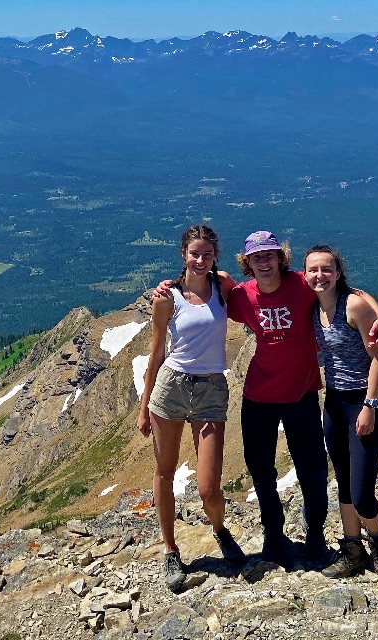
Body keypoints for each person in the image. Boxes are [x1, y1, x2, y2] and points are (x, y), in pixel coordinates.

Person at [227, 231, 378, 570]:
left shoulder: (302, 283)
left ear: (281, 258)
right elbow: (208, 291)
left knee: (313, 471)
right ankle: (274, 535)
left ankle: (315, 533)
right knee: (261, 471)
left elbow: (346, 290)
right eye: (257, 257)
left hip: (302, 394)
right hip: (259, 396)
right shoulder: (241, 296)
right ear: (248, 263)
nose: (265, 261)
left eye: (270, 254)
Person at [137, 225, 246, 593]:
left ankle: (219, 528)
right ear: (183, 254)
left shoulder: (223, 285)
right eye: (194, 253)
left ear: (215, 256)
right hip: (171, 387)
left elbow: (256, 294)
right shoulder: (167, 297)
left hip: (212, 388)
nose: (201, 260)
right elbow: (156, 353)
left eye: (207, 254)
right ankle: (170, 550)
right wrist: (143, 408)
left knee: (208, 488)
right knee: (164, 471)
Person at [306, 243, 378, 577]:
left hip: (363, 401)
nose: (320, 276)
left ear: (338, 272)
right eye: (313, 270)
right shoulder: (313, 306)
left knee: (361, 494)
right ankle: (352, 550)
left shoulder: (352, 305)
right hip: (334, 402)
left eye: (327, 269)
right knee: (343, 481)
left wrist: (370, 406)